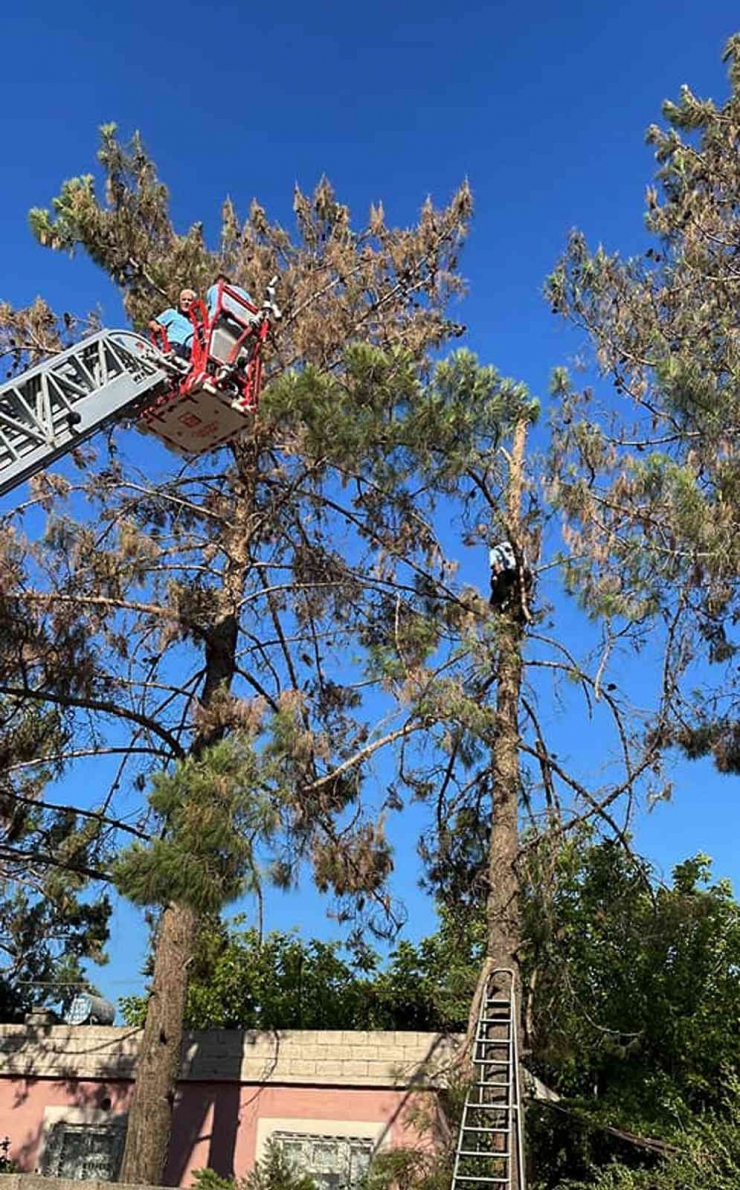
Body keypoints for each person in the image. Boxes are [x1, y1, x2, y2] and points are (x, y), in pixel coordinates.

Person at [148, 288, 197, 361]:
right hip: (174, 346)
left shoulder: (196, 323)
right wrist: (155, 326)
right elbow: (152, 323)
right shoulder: (172, 313)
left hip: (190, 354)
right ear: (180, 302)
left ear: (194, 303)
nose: (186, 302)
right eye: (184, 299)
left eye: (189, 300)